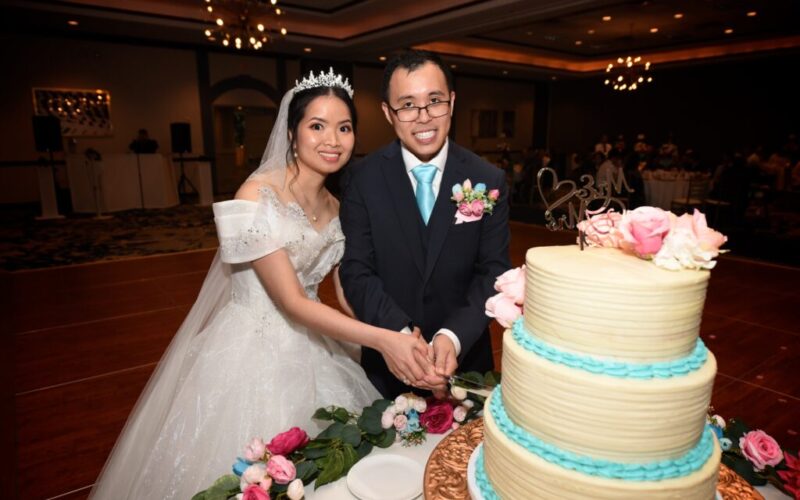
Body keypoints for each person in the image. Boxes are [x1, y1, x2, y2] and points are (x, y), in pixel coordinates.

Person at [89, 69, 430, 500]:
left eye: (344, 128)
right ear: (292, 132)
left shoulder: (338, 206)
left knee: (325, 469)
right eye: (317, 126)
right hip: (250, 350)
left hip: (317, 344)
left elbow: (345, 291)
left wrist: (396, 330)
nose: (333, 140)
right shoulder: (254, 196)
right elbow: (290, 302)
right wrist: (383, 341)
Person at [339, 50, 511, 399]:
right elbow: (356, 270)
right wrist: (399, 335)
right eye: (407, 105)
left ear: (452, 101)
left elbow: (493, 271)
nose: (424, 117)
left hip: (467, 359)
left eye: (434, 101)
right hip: (389, 361)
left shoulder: (487, 178)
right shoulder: (361, 178)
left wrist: (454, 335)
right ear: (388, 112)